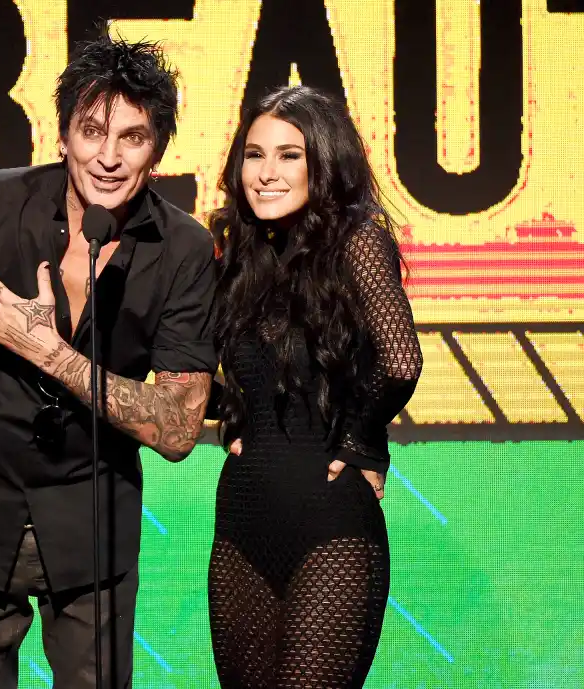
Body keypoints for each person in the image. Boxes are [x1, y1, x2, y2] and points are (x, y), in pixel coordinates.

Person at [0, 33, 217, 689]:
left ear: (157, 149)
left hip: (92, 537)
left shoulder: (183, 249)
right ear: (63, 134)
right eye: (92, 131)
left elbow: (179, 428)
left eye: (131, 137)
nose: (107, 157)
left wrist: (47, 349)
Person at [205, 85, 423, 687]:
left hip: (331, 531)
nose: (267, 173)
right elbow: (208, 373)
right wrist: (234, 415)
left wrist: (359, 437)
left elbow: (401, 360)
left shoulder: (357, 238)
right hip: (241, 526)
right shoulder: (239, 253)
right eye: (254, 155)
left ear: (323, 164)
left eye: (288, 155)